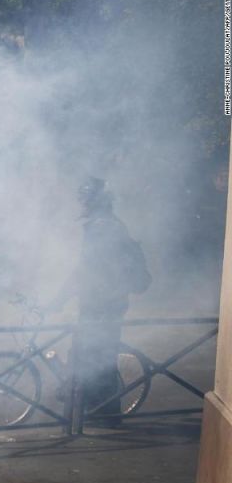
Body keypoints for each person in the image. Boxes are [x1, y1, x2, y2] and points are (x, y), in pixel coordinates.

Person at [52, 176, 151, 422]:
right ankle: (94, 409)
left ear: (94, 200)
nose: (80, 202)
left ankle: (104, 414)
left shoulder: (102, 228)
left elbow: (84, 270)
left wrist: (59, 298)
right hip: (104, 301)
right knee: (92, 355)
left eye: (84, 198)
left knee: (97, 358)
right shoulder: (106, 224)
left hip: (103, 303)